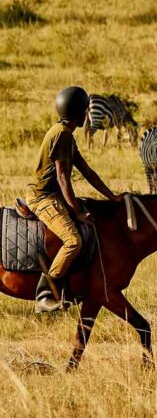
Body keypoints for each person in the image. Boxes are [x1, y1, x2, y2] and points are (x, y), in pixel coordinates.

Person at [26, 86, 123, 313]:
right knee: (73, 240)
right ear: (78, 112)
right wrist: (77, 212)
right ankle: (45, 294)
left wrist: (112, 196)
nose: (87, 114)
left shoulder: (66, 135)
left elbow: (87, 172)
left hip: (54, 195)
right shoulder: (61, 135)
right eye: (85, 110)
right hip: (43, 198)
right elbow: (62, 177)